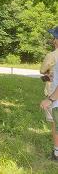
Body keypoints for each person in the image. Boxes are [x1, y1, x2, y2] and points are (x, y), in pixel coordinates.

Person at [40, 26, 58, 160]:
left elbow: (42, 70)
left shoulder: (52, 55)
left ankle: (56, 153)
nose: (53, 40)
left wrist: (50, 99)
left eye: (54, 37)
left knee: (55, 125)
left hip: (54, 96)